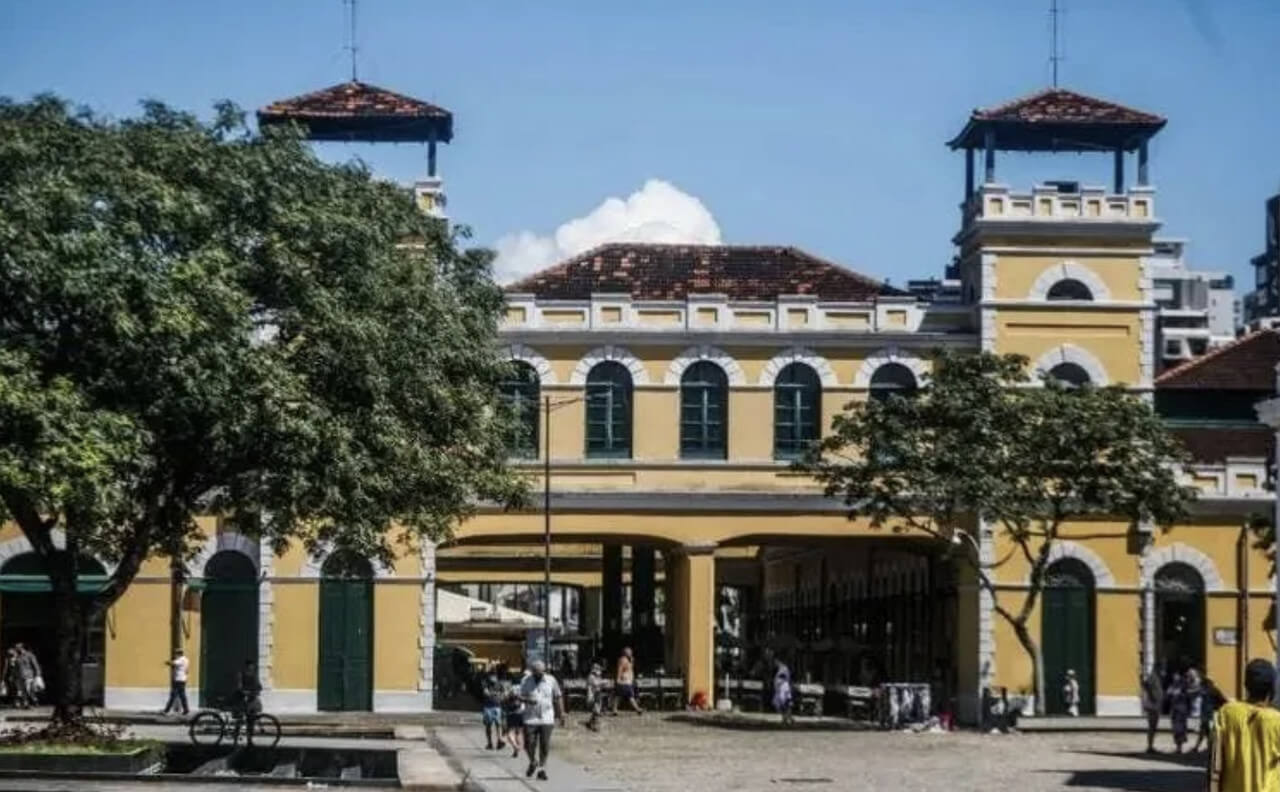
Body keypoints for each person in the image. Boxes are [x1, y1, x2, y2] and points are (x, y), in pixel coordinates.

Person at [1209, 658, 1280, 792]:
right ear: (1271, 688)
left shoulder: (1226, 713)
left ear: (1246, 685)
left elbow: (1214, 764)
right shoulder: (1276, 721)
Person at [518, 659, 564, 782]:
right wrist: (527, 700)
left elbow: (558, 696)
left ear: (544, 671)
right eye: (536, 672)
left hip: (547, 717)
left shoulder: (551, 680)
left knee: (544, 744)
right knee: (528, 743)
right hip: (530, 718)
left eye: (541, 672)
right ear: (532, 672)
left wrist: (561, 714)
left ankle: (542, 769)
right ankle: (533, 761)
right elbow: (519, 696)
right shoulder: (525, 681)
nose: (539, 674)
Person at [479, 663, 505, 750]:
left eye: (494, 675)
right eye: (492, 675)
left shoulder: (499, 683)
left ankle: (499, 740)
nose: (493, 677)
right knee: (489, 725)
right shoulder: (485, 682)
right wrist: (497, 695)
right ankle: (490, 743)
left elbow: (503, 693)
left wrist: (495, 695)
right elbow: (486, 693)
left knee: (498, 724)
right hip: (489, 706)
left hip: (496, 706)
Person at [500, 668, 525, 759]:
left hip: (511, 713)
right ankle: (516, 751)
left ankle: (515, 747)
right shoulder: (523, 688)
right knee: (518, 733)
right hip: (521, 713)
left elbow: (504, 699)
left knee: (509, 732)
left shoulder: (510, 688)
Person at [612, 647, 643, 715]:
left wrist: (632, 661)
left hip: (627, 681)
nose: (631, 653)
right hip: (624, 681)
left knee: (618, 696)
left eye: (631, 652)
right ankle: (637, 709)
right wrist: (618, 679)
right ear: (625, 653)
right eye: (629, 652)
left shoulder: (628, 660)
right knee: (629, 696)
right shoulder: (623, 660)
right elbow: (620, 669)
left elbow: (629, 669)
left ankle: (614, 710)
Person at [1141, 667, 1164, 754]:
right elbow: (1147, 686)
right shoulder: (1154, 677)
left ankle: (1151, 746)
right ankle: (1150, 746)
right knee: (1152, 728)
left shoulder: (1156, 678)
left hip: (1155, 706)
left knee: (1153, 728)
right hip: (1153, 707)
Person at [1168, 671, 1191, 753]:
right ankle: (1178, 747)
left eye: (1176, 676)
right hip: (1174, 710)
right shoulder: (1172, 686)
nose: (1175, 678)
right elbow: (1168, 695)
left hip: (1181, 711)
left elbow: (1187, 697)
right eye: (1174, 677)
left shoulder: (1183, 687)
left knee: (1180, 729)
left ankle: (1179, 747)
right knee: (1175, 729)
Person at [163, 648, 190, 716]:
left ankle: (167, 710)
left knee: (173, 695)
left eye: (176, 654)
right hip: (183, 679)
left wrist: (167, 662)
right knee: (182, 695)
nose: (175, 655)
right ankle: (186, 710)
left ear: (179, 654)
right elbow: (187, 670)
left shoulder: (181, 660)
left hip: (178, 680)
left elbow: (173, 663)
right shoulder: (186, 660)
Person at [773, 657, 794, 726]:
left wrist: (779, 687)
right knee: (783, 705)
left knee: (785, 705)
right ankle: (787, 719)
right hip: (781, 689)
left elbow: (782, 679)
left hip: (783, 689)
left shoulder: (784, 669)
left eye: (776, 662)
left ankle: (787, 719)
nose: (775, 663)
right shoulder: (780, 669)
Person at [586, 662, 604, 732]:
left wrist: (602, 683)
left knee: (596, 710)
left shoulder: (598, 677)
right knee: (596, 710)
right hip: (592, 695)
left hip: (597, 694)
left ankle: (590, 723)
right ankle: (594, 726)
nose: (599, 671)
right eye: (598, 669)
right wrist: (603, 682)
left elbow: (599, 685)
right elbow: (595, 684)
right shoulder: (591, 676)